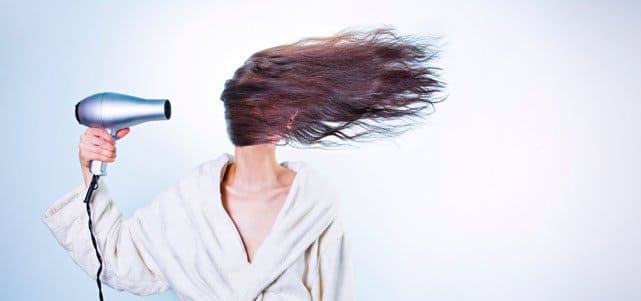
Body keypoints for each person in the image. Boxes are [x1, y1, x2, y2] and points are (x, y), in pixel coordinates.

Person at [41, 26, 446, 301]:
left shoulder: (314, 204)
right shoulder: (188, 203)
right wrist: (88, 168)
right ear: (289, 119)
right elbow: (116, 262)